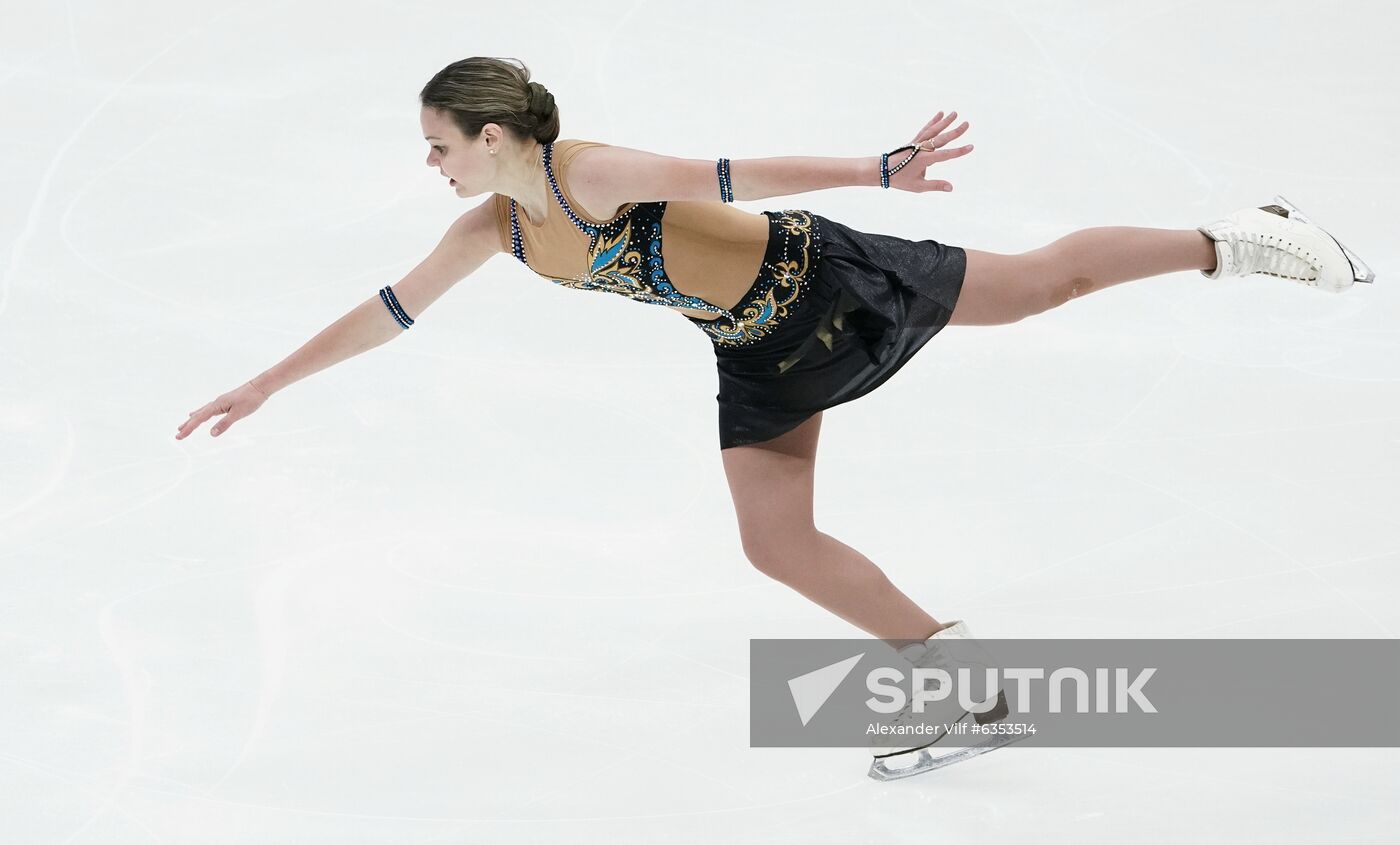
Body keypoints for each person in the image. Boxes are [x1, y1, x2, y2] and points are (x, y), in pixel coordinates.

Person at [174, 56, 1373, 779]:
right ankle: (970, 685)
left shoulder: (584, 173)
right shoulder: (493, 227)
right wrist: (268, 382)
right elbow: (394, 308)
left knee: (1039, 284)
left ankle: (1241, 239)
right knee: (772, 539)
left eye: (439, 144)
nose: (428, 162)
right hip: (751, 346)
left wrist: (876, 168)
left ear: (495, 137)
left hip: (826, 285)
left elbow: (726, 177)